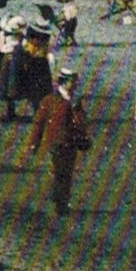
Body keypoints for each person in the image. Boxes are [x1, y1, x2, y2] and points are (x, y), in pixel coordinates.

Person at [27, 67, 92, 218]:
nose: (75, 84)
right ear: (64, 82)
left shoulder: (75, 101)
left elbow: (81, 123)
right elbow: (39, 124)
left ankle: (61, 202)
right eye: (72, 82)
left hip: (71, 143)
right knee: (59, 172)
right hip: (56, 143)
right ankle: (59, 204)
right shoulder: (50, 101)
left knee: (67, 173)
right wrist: (33, 143)